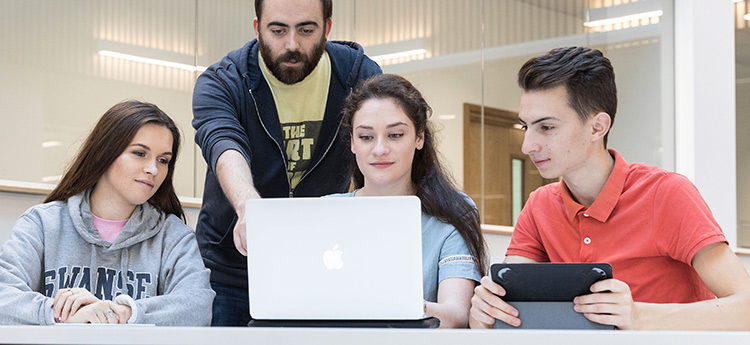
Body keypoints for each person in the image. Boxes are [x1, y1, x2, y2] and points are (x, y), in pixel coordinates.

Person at [468, 46, 750, 330]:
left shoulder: (667, 193)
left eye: (547, 128)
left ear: (597, 127)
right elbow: (509, 306)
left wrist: (638, 316)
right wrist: (486, 311)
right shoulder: (540, 205)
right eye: (525, 127)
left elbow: (745, 308)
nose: (527, 146)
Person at [192, 0, 381, 326]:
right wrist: (248, 206)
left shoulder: (359, 77)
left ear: (328, 28)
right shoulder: (224, 81)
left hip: (319, 267)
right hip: (231, 274)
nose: (292, 45)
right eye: (277, 30)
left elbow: (385, 148)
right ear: (257, 28)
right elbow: (224, 145)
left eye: (306, 30)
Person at [0, 101, 214, 326]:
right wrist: (61, 313)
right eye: (140, 153)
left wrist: (123, 312)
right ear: (105, 151)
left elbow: (198, 307)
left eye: (163, 160)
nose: (153, 169)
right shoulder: (42, 224)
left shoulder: (173, 235)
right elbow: (4, 296)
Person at [326, 74, 488, 328]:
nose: (379, 149)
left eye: (395, 135)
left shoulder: (453, 212)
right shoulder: (324, 211)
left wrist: (382, 303)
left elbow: (456, 316)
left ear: (419, 138)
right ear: (353, 143)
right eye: (366, 137)